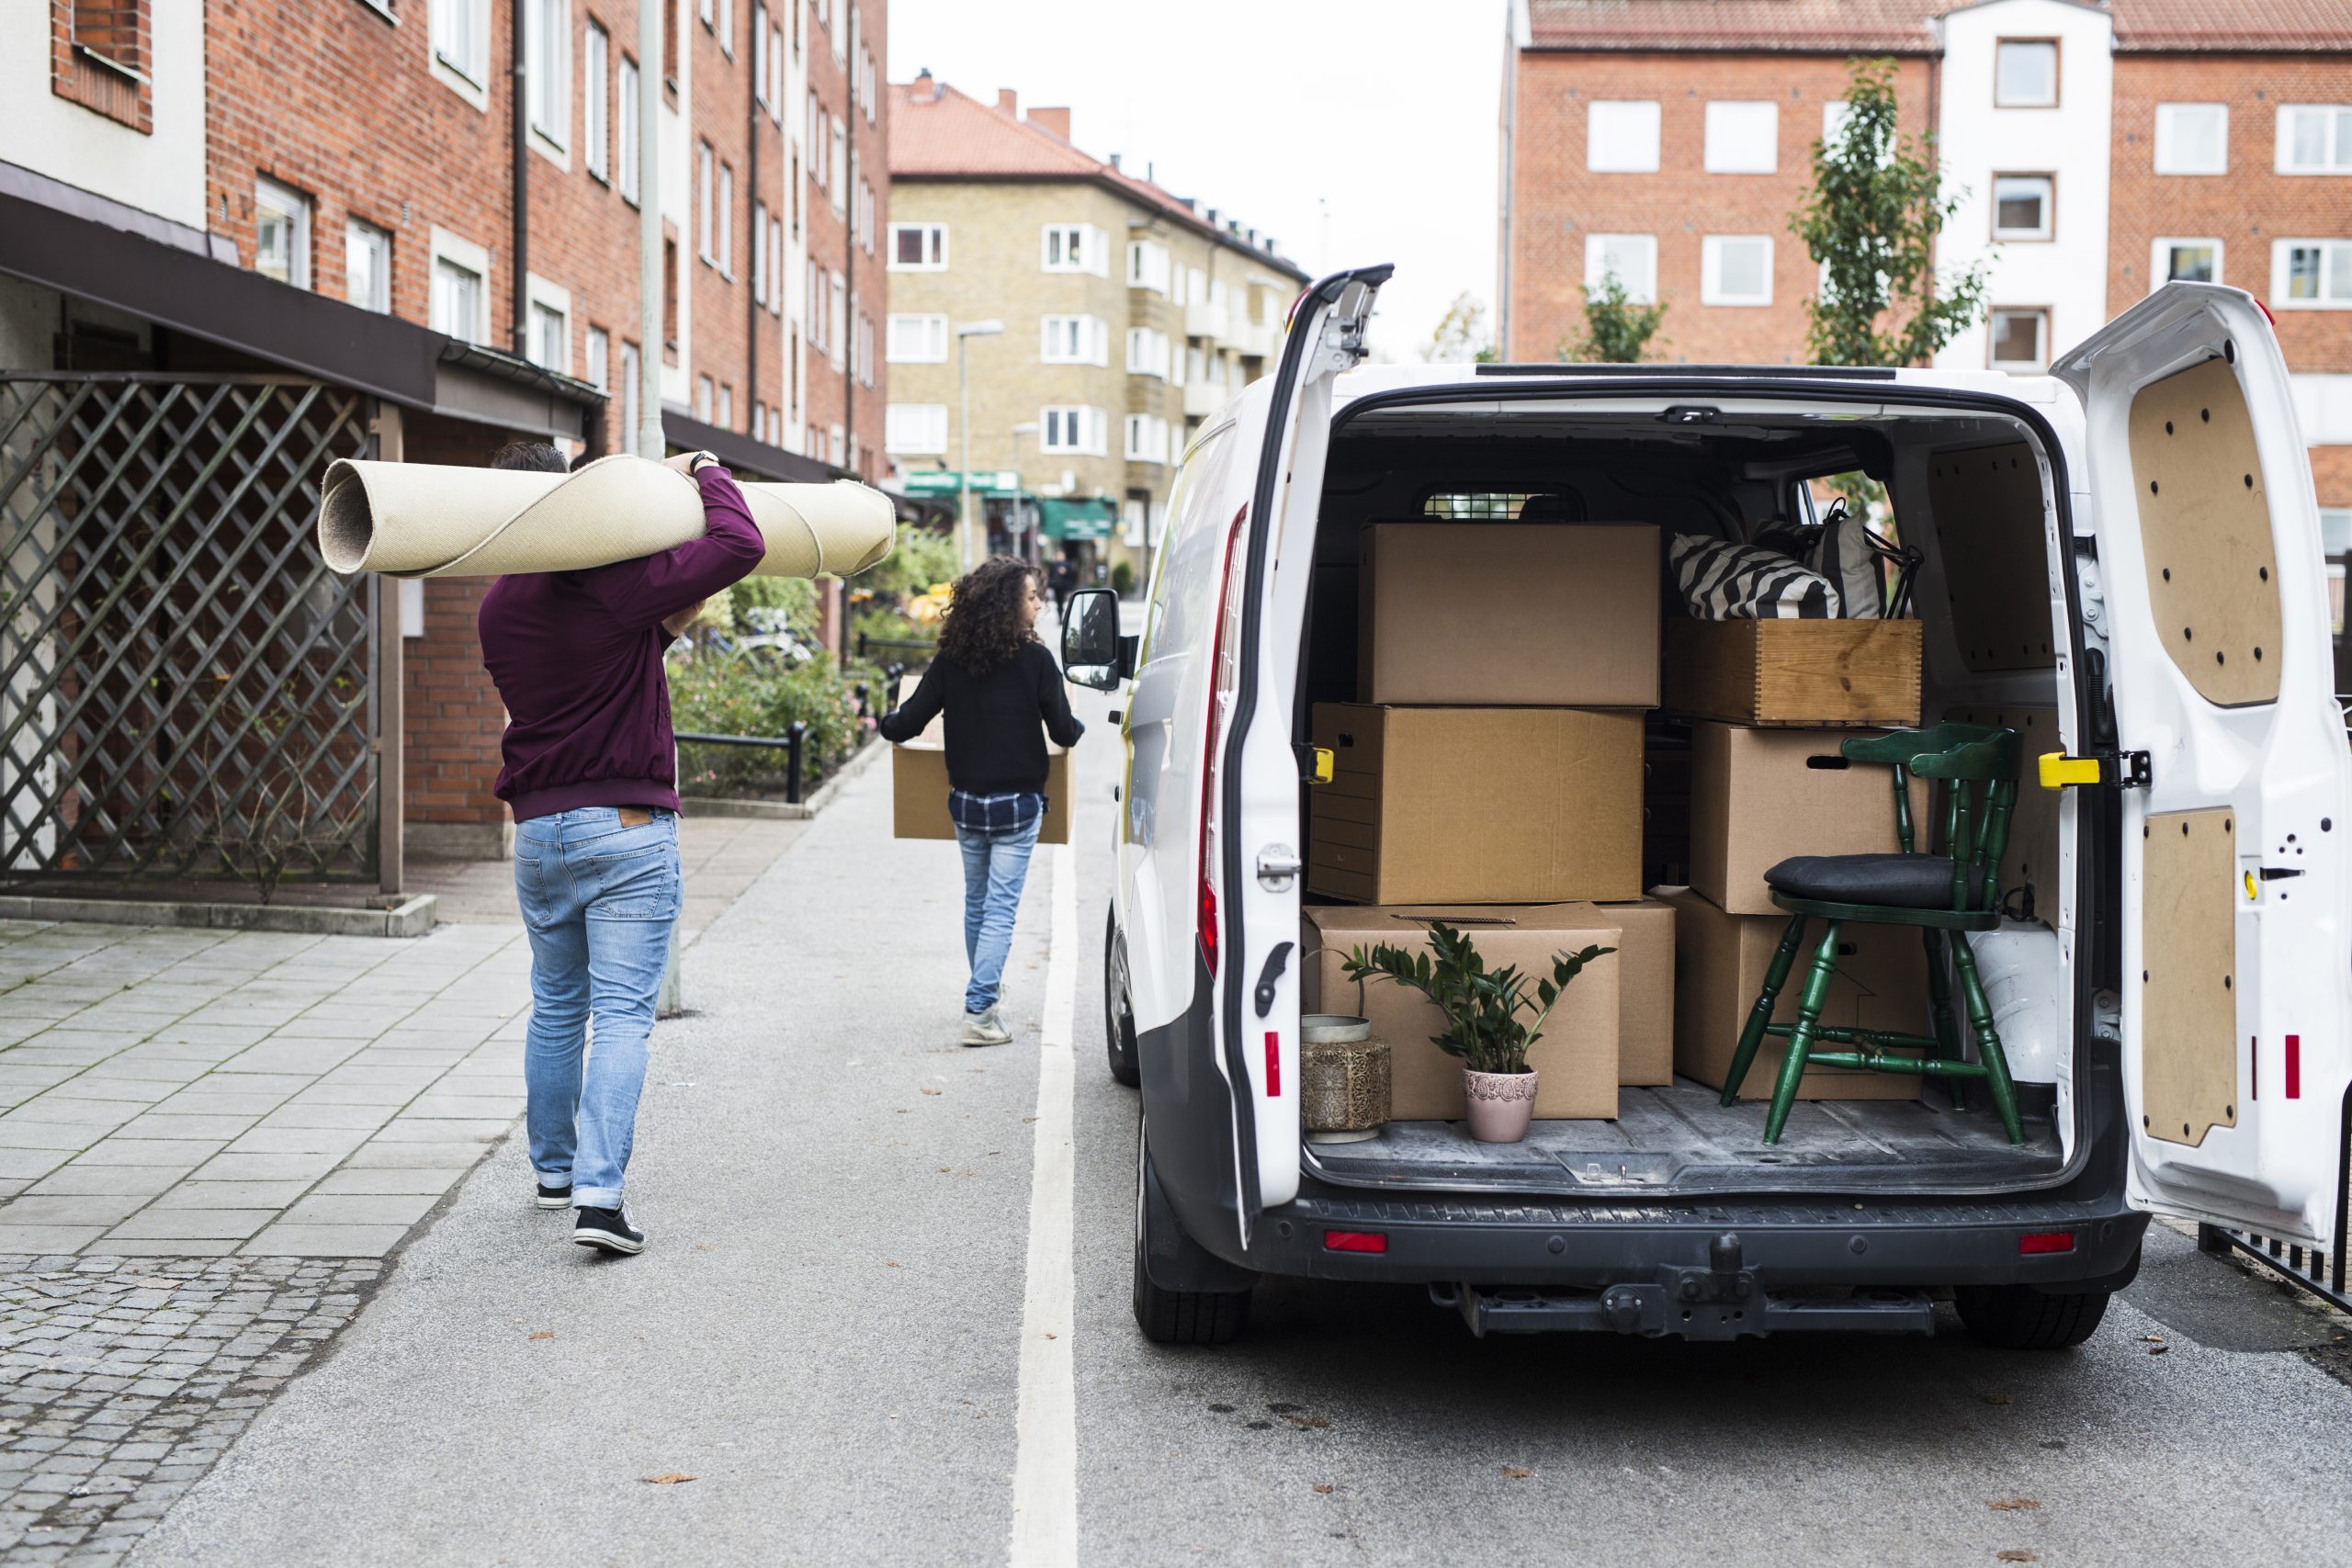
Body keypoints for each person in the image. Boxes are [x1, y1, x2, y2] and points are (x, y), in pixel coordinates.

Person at [477, 439, 764, 1255]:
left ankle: (554, 1173)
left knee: (558, 1006)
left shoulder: (498, 603)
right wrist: (705, 470)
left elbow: (613, 658)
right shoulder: (607, 582)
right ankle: (601, 1201)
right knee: (625, 1017)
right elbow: (742, 544)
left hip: (537, 833)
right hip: (625, 828)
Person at [877, 558, 1084, 1045]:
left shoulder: (953, 660)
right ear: (1010, 604)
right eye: (1032, 596)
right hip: (1018, 806)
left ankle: (984, 992)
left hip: (967, 803)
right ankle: (979, 1010)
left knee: (977, 903)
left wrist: (881, 724)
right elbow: (1062, 731)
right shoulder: (1037, 661)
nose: (1038, 604)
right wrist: (1078, 728)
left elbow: (907, 722)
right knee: (1001, 909)